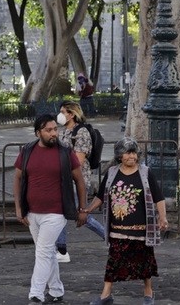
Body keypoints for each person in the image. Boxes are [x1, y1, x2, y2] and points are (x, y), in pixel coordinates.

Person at [14, 114, 88, 304]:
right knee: (46, 252)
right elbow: (18, 178)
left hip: (56, 213)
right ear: (38, 133)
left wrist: (83, 209)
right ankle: (56, 290)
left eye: (55, 129)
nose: (54, 133)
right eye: (49, 130)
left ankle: (36, 295)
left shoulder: (65, 152)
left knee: (43, 251)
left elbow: (79, 181)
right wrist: (18, 207)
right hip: (32, 212)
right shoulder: (28, 150)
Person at [84, 138, 169, 305]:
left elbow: (158, 196)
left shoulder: (145, 172)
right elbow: (101, 196)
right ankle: (105, 294)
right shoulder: (112, 173)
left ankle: (148, 293)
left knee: (144, 262)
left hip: (140, 228)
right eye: (127, 153)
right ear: (119, 156)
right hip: (118, 228)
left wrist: (163, 217)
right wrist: (88, 209)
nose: (131, 156)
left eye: (134, 153)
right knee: (113, 261)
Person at [55, 101, 107, 263]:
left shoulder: (81, 132)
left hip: (79, 181)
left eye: (63, 112)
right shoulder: (65, 131)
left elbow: (78, 160)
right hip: (65, 180)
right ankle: (61, 249)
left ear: (72, 114)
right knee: (63, 213)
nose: (60, 115)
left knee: (81, 215)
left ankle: (111, 239)